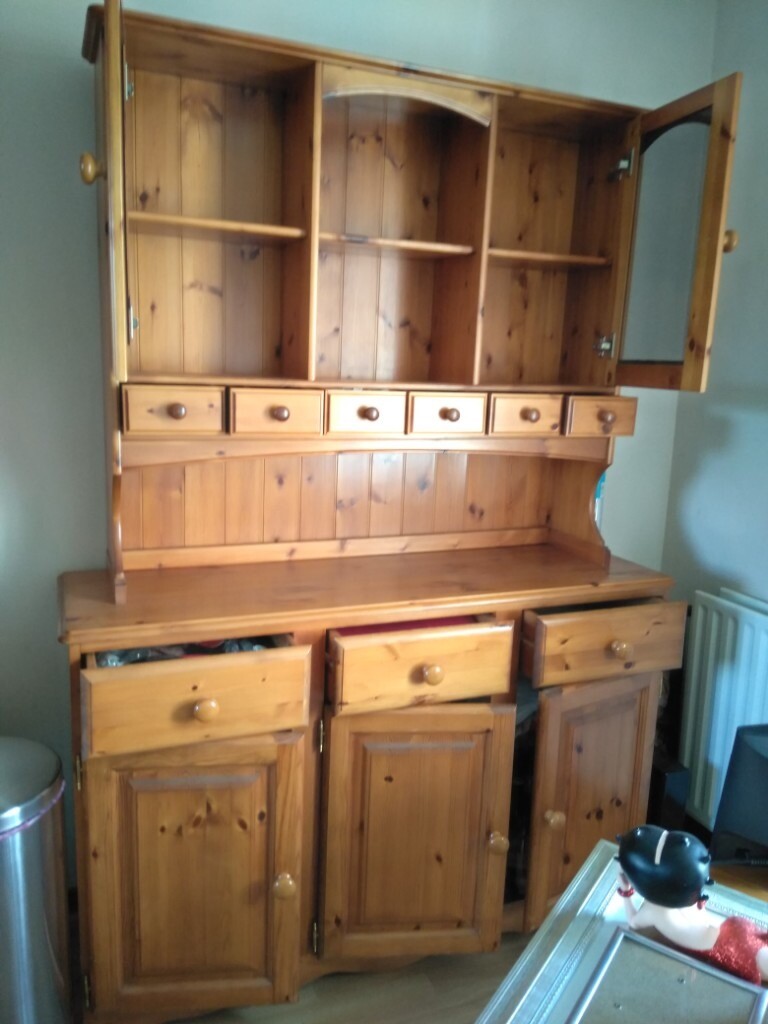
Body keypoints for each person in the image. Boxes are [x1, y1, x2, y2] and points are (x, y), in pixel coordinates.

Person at [616, 825, 768, 985]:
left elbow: (632, 921)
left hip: (732, 951)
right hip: (735, 930)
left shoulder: (654, 911)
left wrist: (625, 890)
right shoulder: (690, 897)